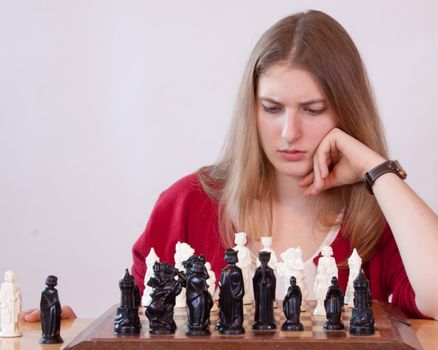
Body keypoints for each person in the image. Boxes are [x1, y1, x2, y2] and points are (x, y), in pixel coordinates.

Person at [131, 9, 438, 321]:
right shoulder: (184, 205)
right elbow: (139, 327)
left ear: (347, 112)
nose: (290, 133)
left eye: (313, 110)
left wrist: (376, 169)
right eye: (272, 108)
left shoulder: (381, 215)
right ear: (251, 109)